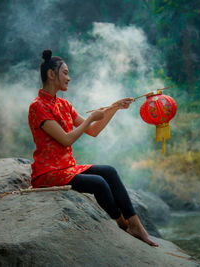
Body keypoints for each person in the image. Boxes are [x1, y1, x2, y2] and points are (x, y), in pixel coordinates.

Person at [28, 49, 158, 247]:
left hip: (67, 168)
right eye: (65, 72)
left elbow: (93, 130)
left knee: (109, 171)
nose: (69, 78)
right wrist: (89, 117)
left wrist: (114, 108)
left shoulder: (63, 104)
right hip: (49, 173)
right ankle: (122, 224)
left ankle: (136, 225)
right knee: (98, 182)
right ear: (51, 74)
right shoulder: (38, 107)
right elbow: (66, 140)